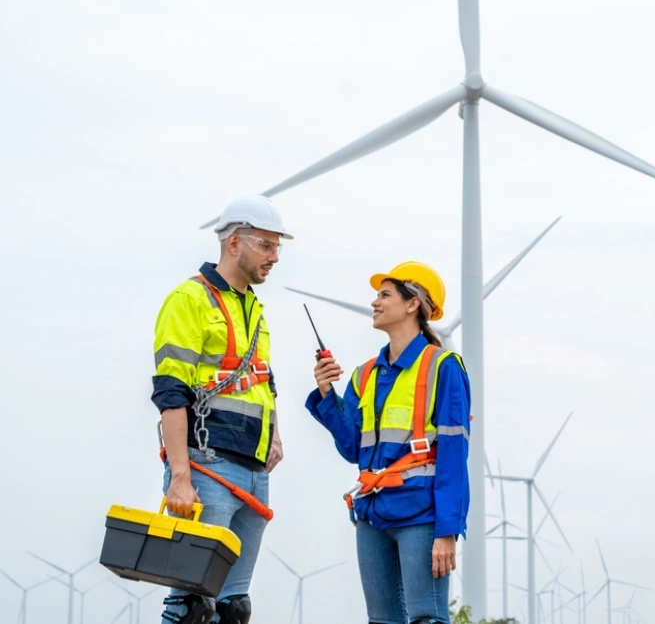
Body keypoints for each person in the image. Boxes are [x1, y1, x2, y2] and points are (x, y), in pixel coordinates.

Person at [150, 194, 292, 624]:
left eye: (277, 247)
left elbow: (263, 380)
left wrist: (276, 436)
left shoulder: (254, 308)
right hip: (206, 467)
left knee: (233, 609)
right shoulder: (190, 299)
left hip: (253, 470)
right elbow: (171, 392)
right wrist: (179, 477)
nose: (275, 257)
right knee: (193, 607)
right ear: (235, 243)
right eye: (266, 245)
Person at [306, 261, 471, 624]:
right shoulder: (365, 374)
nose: (374, 303)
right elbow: (352, 448)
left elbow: (454, 454)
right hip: (372, 515)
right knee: (382, 621)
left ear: (413, 304)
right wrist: (326, 394)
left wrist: (448, 529)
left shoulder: (443, 367)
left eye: (384, 295)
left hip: (421, 515)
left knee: (426, 618)